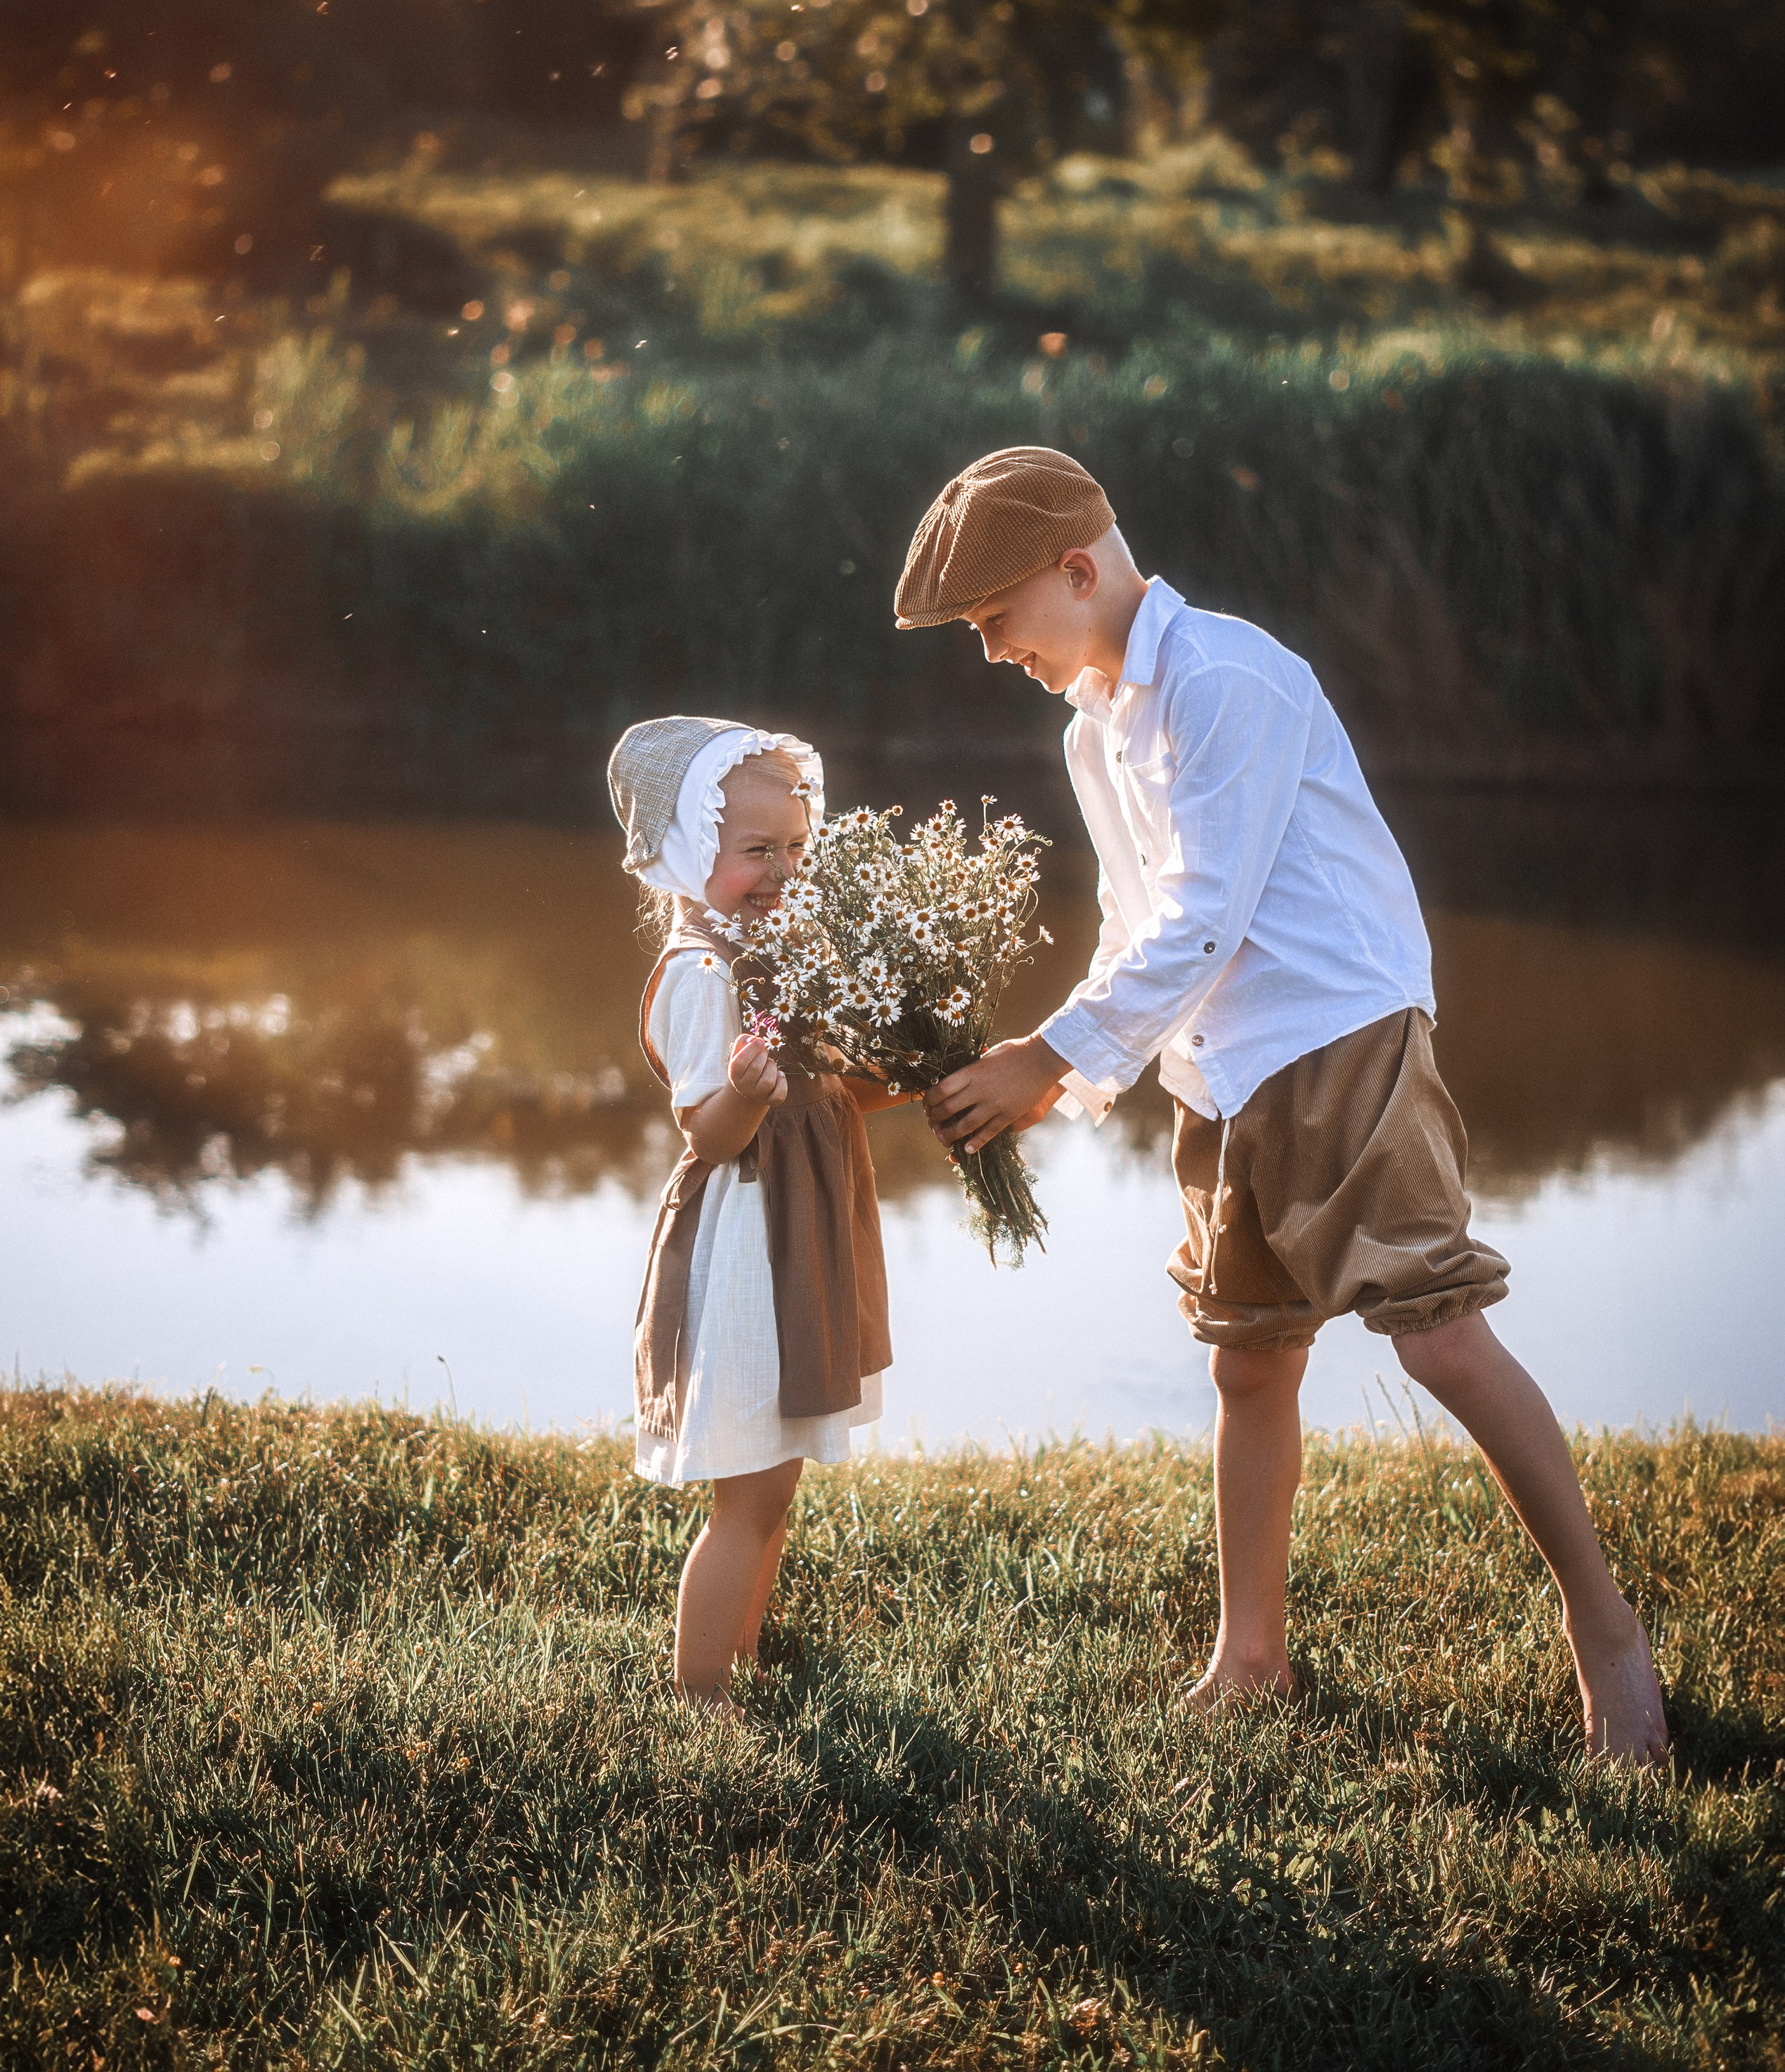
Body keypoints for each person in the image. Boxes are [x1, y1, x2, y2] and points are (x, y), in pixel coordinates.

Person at [897, 446, 1669, 1766]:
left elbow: (1210, 914)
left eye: (992, 619)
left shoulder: (1228, 681)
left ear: (1078, 571)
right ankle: (1251, 1654)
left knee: (1437, 1337)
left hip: (1339, 1033)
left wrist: (1049, 1049)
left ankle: (1605, 1632)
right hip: (1224, 1068)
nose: (987, 652)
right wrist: (1072, 1068)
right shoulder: (1094, 722)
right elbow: (1135, 920)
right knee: (1249, 1359)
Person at [607, 715, 900, 1711]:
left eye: (796, 850)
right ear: (695, 856)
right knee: (747, 1485)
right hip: (744, 1243)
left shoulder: (786, 953)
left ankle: (742, 1652)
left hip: (797, 1235)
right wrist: (745, 1088)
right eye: (755, 851)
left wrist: (923, 1060)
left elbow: (833, 1086)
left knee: (775, 1482)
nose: (781, 871)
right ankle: (700, 1691)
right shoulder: (703, 973)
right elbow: (707, 1133)